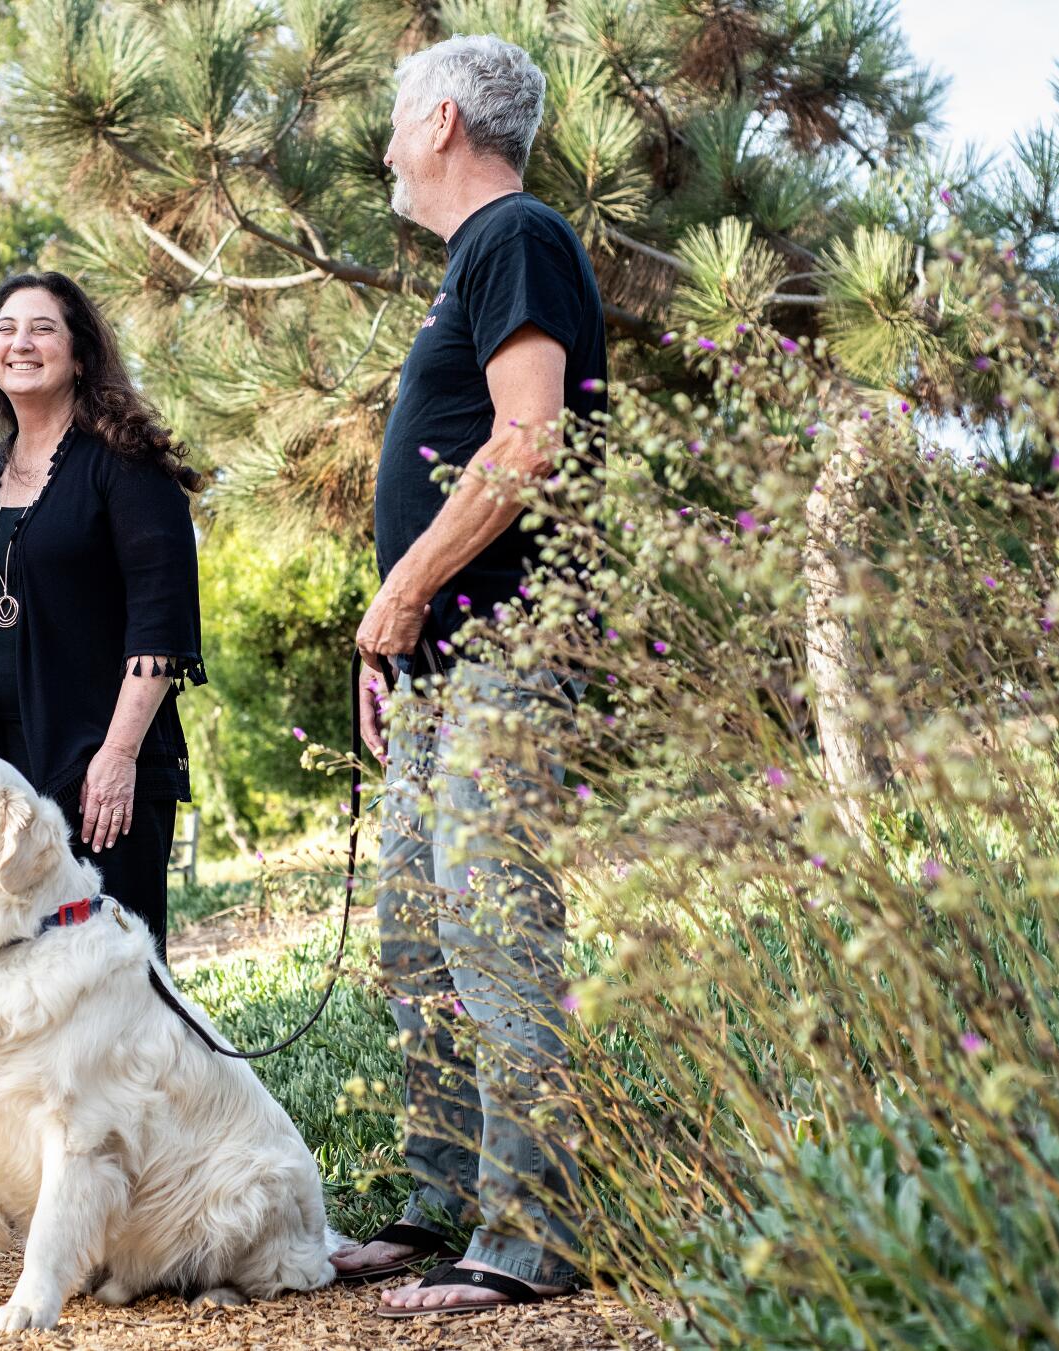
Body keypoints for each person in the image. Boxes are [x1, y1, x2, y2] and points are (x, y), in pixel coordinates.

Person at [331, 36, 606, 1316]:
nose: (383, 142)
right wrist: (398, 643)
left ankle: (528, 1238)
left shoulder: (515, 237)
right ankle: (441, 1200)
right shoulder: (466, 266)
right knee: (418, 943)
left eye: (393, 117)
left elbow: (529, 438)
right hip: (441, 669)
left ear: (440, 119)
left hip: (503, 654)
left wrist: (406, 585)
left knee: (494, 941)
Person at [0, 272, 203, 950]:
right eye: (6, 330)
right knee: (0, 965)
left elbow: (159, 625)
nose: (19, 343)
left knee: (110, 971)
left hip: (100, 762)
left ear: (80, 354)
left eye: (42, 328)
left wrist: (118, 756)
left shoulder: (127, 462)